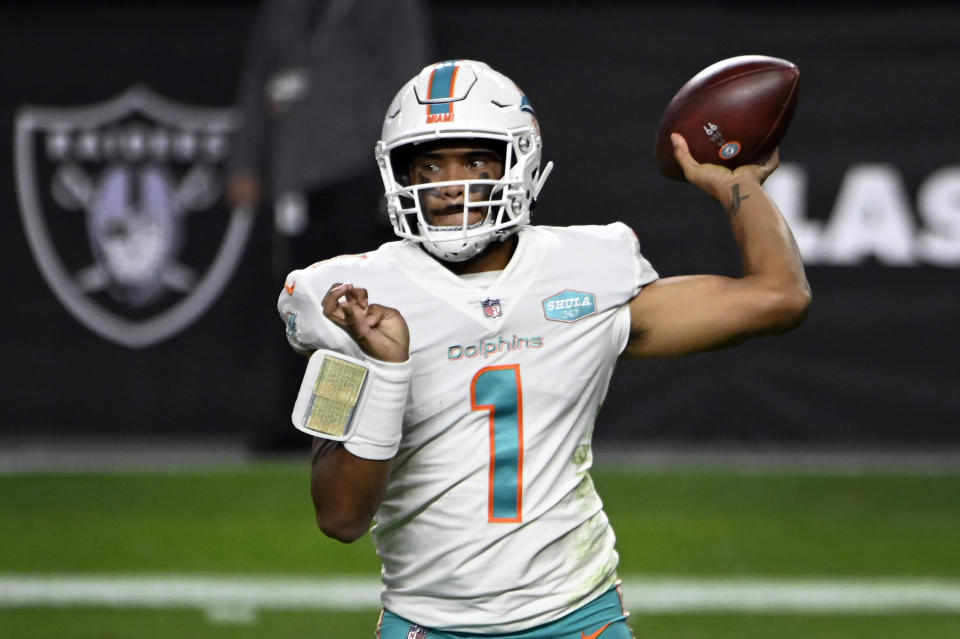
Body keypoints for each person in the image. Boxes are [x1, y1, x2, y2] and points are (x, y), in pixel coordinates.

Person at [278, 60, 810, 638]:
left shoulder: (590, 272)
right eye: (429, 164)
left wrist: (738, 185)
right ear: (397, 174)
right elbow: (340, 516)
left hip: (581, 619)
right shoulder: (348, 299)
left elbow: (779, 296)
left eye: (476, 161)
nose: (450, 185)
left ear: (519, 162)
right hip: (431, 625)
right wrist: (385, 370)